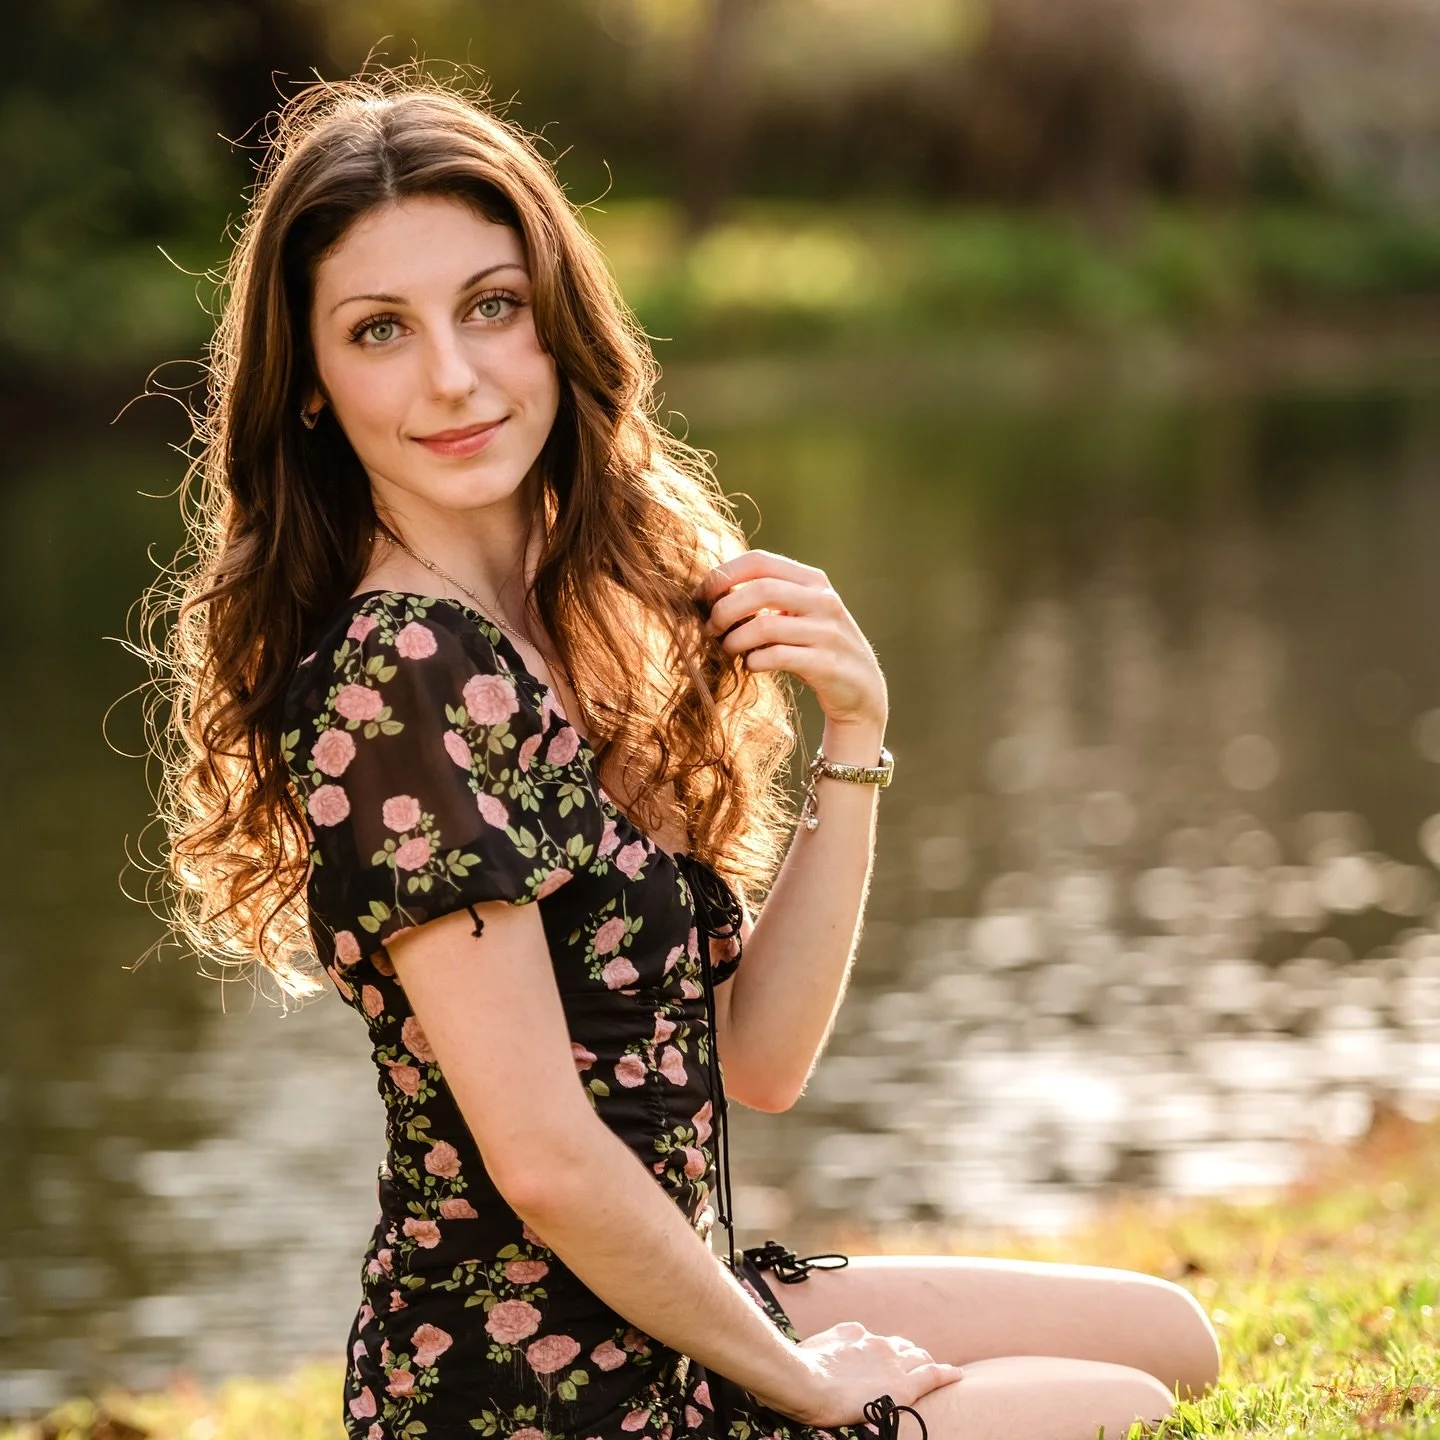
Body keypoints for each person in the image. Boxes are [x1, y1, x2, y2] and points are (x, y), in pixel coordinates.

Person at [145, 70, 1220, 1440]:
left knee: (1167, 1337)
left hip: (672, 1299)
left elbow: (758, 1062)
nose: (453, 376)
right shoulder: (406, 675)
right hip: (531, 1387)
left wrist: (856, 740)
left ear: (556, 321)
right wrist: (810, 1382)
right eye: (377, 332)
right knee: (1112, 1405)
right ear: (308, 387)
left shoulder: (568, 614)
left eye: (492, 306)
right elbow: (539, 1163)